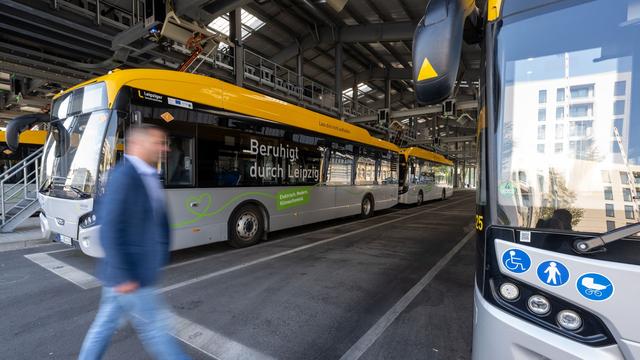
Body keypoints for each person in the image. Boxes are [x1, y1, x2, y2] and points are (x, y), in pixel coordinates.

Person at [79, 124, 190, 360]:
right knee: (156, 329)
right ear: (138, 144)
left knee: (104, 326)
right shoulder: (124, 176)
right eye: (158, 143)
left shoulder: (148, 174)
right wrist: (123, 275)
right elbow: (110, 228)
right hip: (130, 274)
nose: (165, 148)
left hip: (133, 272)